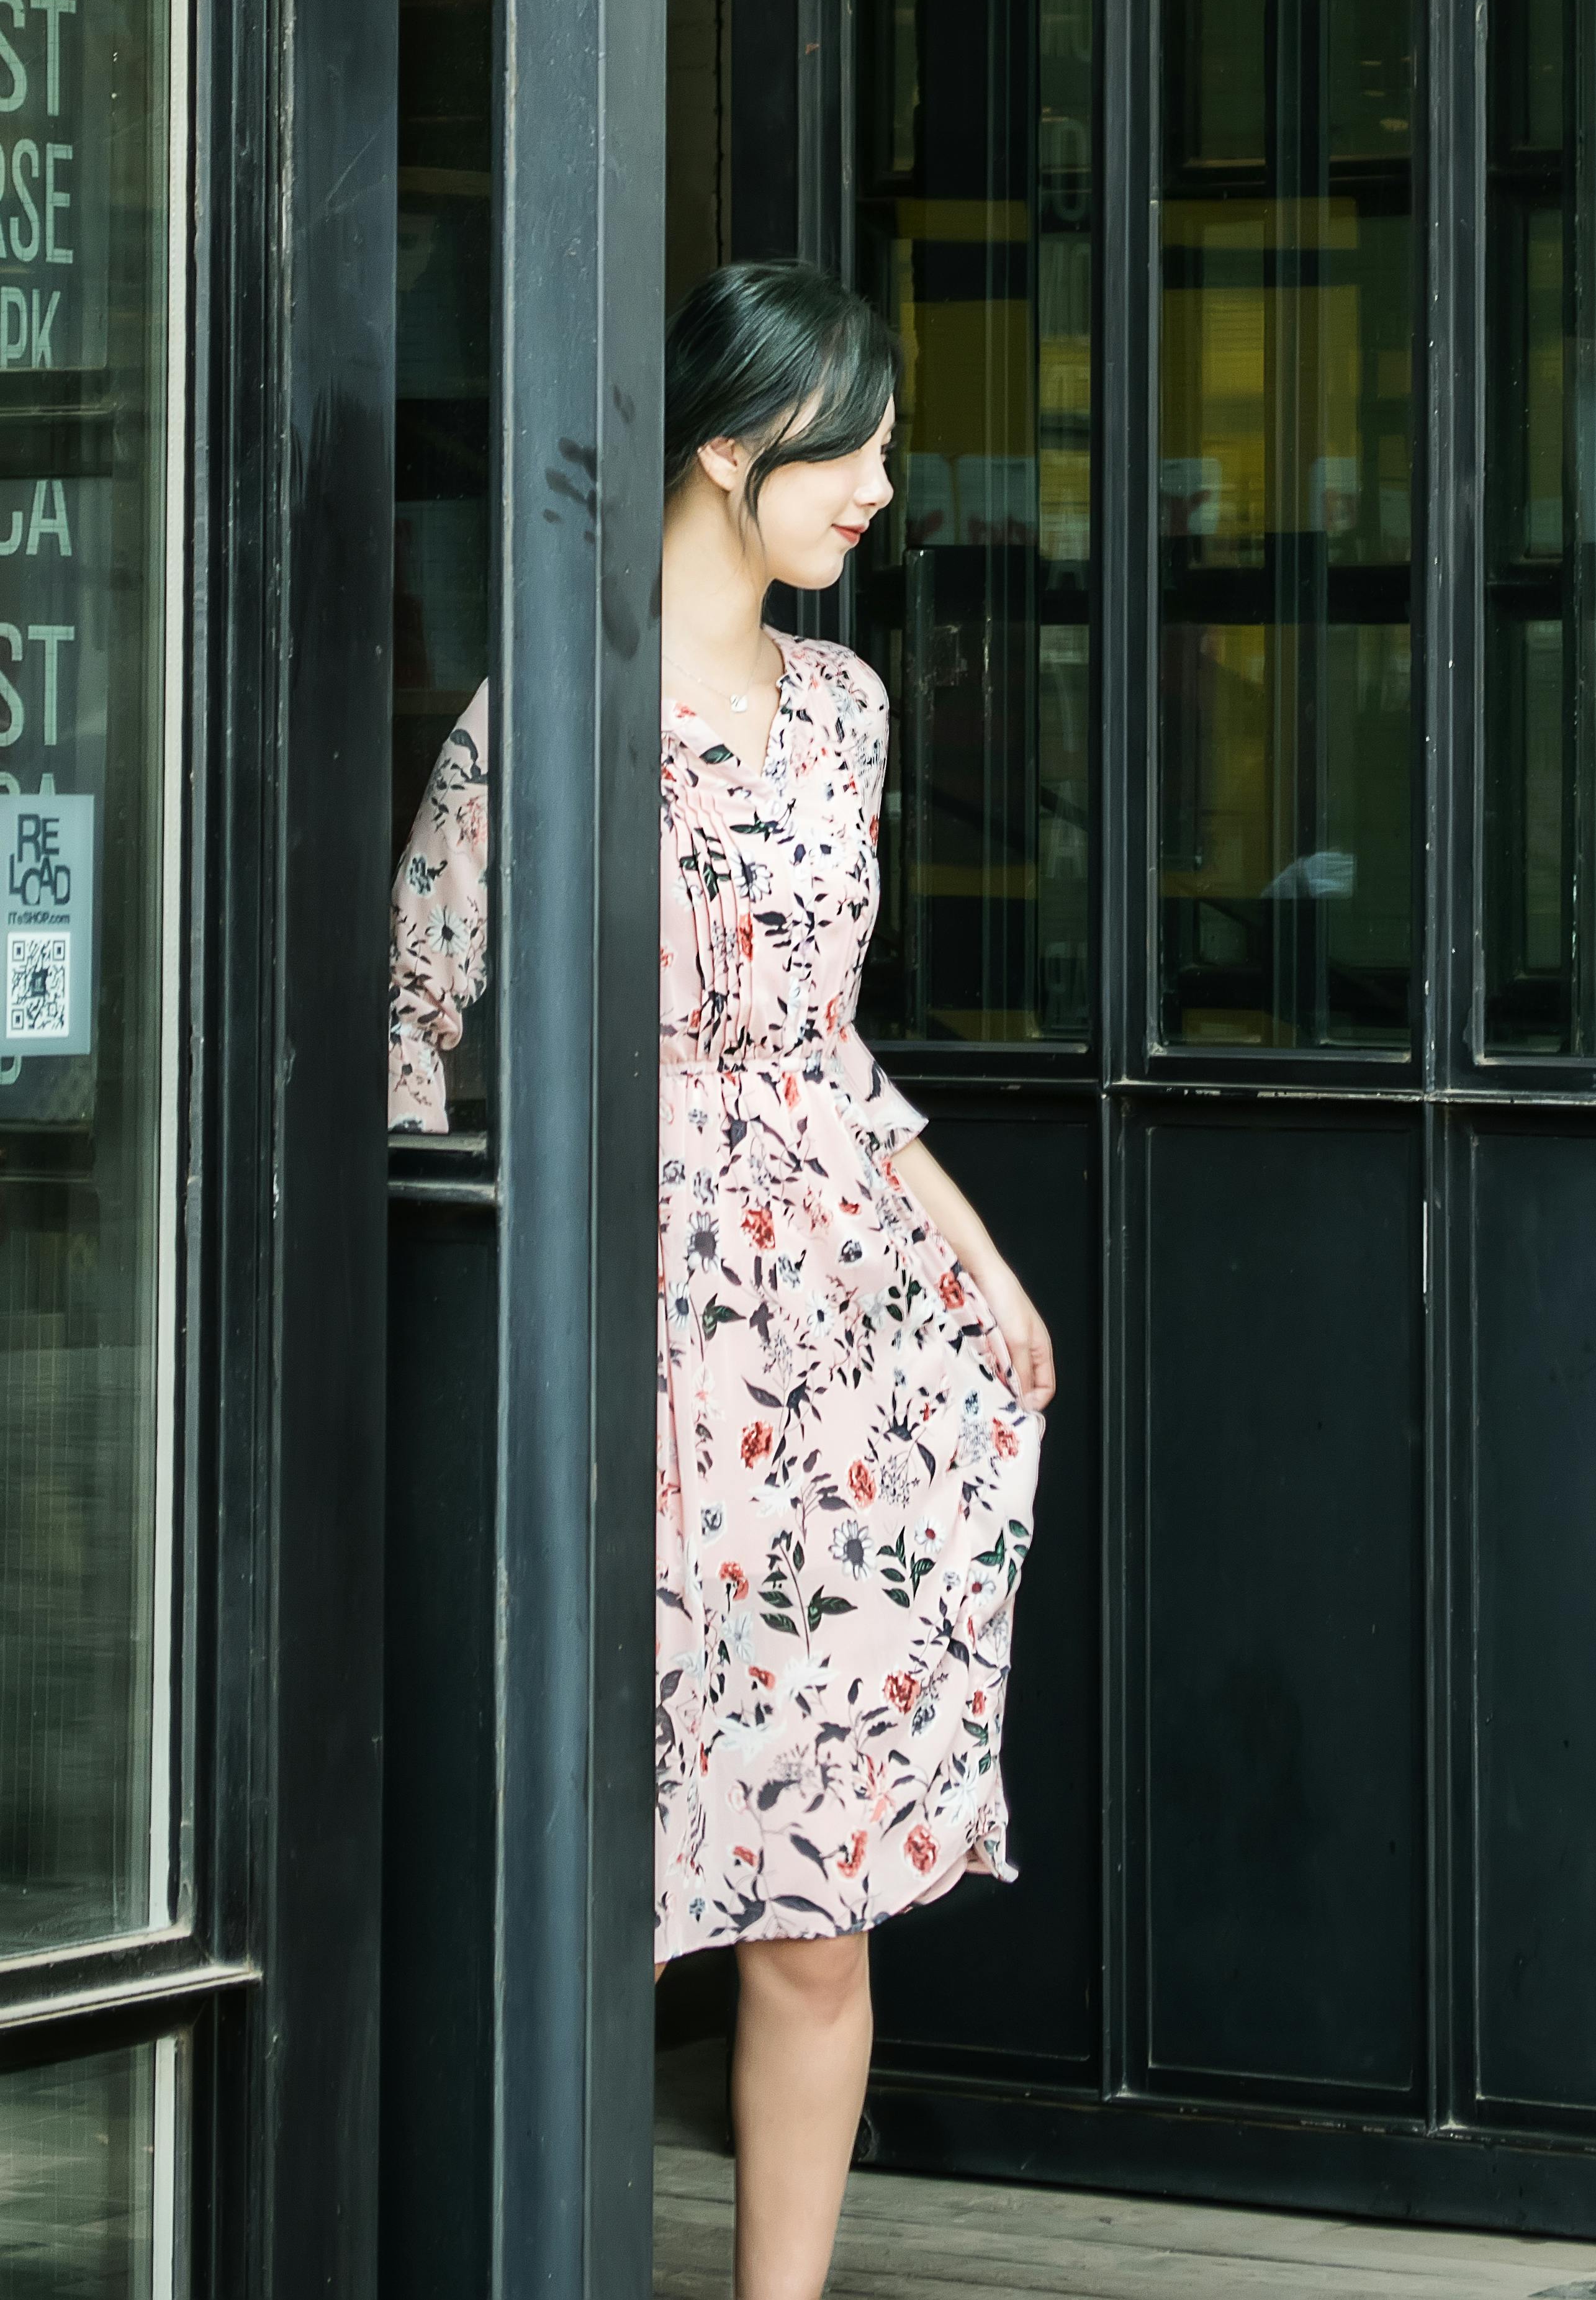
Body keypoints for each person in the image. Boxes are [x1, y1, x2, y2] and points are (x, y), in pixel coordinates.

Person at [387, 261, 1054, 2300]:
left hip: (837, 1343)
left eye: (881, 444)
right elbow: (415, 1015)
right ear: (725, 439)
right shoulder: (553, 708)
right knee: (601, 1861)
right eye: (846, 444)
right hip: (619, 1336)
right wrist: (456, 1324)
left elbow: (827, 1057)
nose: (879, 486)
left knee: (822, 1896)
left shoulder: (846, 708)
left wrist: (988, 1269)